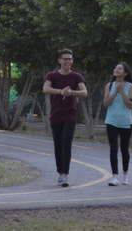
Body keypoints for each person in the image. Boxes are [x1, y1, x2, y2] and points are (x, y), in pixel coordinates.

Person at [42, 48, 87, 186]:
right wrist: (60, 91)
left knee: (66, 144)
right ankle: (60, 172)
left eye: (70, 59)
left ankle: (65, 175)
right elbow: (45, 89)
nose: (68, 61)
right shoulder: (52, 75)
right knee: (58, 144)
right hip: (56, 115)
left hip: (70, 115)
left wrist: (71, 92)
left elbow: (84, 92)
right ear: (59, 60)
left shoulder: (76, 76)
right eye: (65, 59)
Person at [102, 62, 132, 186]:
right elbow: (106, 104)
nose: (116, 69)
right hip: (111, 121)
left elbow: (131, 105)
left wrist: (122, 91)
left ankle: (125, 175)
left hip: (126, 121)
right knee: (113, 148)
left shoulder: (131, 86)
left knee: (124, 148)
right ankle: (114, 176)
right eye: (116, 68)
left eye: (120, 68)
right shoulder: (109, 85)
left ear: (125, 73)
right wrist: (115, 91)